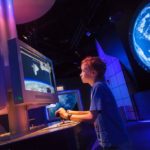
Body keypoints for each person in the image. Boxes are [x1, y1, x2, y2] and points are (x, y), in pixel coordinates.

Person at [55, 56, 131, 150]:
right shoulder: (99, 86)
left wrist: (66, 115)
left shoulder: (98, 87)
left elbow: (91, 117)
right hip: (116, 138)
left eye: (83, 71)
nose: (80, 74)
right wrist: (71, 112)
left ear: (93, 73)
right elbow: (93, 112)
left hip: (112, 140)